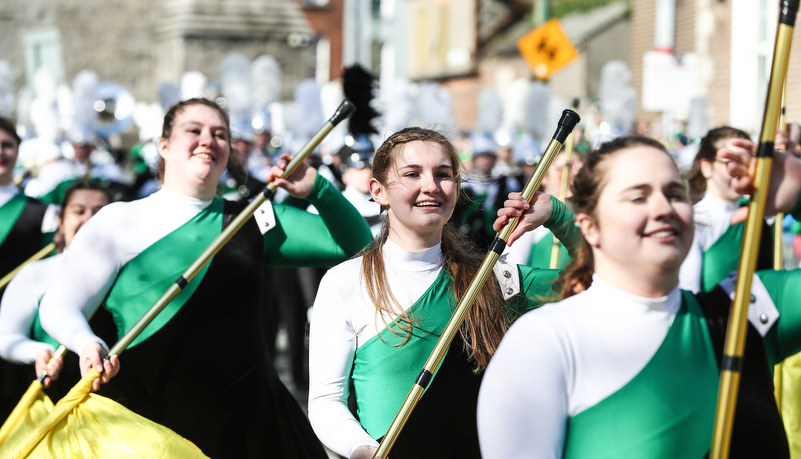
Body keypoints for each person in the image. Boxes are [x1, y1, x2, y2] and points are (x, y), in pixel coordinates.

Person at [38, 98, 373, 459]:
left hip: (250, 423)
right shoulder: (117, 220)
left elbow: (358, 246)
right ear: (163, 145)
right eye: (193, 130)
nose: (208, 140)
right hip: (149, 426)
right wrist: (86, 343)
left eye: (220, 134)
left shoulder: (252, 217)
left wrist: (319, 189)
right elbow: (59, 305)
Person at [477, 136, 801, 458]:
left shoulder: (750, 309)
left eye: (675, 194)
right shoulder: (543, 341)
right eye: (638, 197)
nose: (663, 208)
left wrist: (797, 188)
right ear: (589, 226)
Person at [307, 127, 581, 459]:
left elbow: (602, 282)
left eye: (443, 174)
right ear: (378, 191)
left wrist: (558, 215)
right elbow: (326, 401)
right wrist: (362, 449)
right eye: (412, 174)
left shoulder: (493, 277)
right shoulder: (345, 281)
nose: (431, 186)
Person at [0, 181, 116, 399]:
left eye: (100, 212)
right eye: (78, 211)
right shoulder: (36, 273)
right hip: (53, 395)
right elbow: (5, 336)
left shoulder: (129, 273)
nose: (89, 219)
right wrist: (37, 352)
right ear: (61, 222)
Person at [680, 126, 773, 293]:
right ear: (707, 167)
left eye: (747, 163)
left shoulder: (763, 213)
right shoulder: (695, 221)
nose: (741, 171)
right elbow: (690, 292)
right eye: (730, 163)